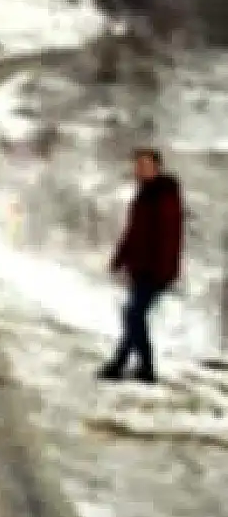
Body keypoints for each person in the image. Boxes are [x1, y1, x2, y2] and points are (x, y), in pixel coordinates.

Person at [100, 146, 185, 383]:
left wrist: (164, 271)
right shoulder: (144, 194)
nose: (139, 169)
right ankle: (120, 366)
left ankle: (144, 367)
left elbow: (170, 236)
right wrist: (119, 258)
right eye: (138, 165)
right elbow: (133, 232)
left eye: (145, 165)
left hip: (155, 270)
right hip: (140, 267)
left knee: (133, 315)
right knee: (133, 316)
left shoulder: (164, 196)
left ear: (156, 167)